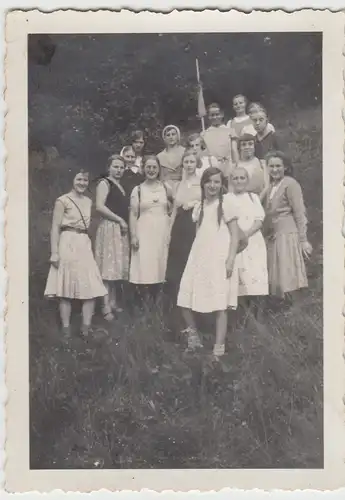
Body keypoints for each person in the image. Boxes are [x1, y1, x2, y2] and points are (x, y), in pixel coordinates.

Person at [177, 167, 241, 358]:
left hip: (220, 256)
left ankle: (218, 348)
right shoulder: (200, 206)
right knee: (184, 299)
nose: (212, 185)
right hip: (199, 256)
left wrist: (230, 259)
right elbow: (199, 233)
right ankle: (194, 338)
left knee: (220, 302)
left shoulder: (226, 203)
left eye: (217, 182)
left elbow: (236, 236)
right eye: (209, 181)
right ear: (203, 183)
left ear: (221, 185)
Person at [44, 169, 107, 337]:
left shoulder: (88, 201)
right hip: (67, 241)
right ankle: (66, 329)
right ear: (72, 180)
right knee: (66, 286)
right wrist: (54, 252)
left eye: (85, 180)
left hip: (84, 242)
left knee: (91, 285)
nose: (82, 183)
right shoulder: (62, 200)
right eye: (79, 179)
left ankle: (86, 328)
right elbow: (55, 228)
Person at [264, 151, 312, 300]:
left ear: (285, 167)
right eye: (271, 166)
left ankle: (296, 311)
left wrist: (303, 239)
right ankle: (283, 309)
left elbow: (299, 212)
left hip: (288, 233)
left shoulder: (290, 184)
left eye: (278, 166)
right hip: (275, 234)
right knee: (279, 275)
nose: (275, 169)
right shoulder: (271, 186)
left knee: (289, 274)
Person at [129, 155, 173, 301]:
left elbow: (173, 209)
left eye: (154, 167)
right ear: (143, 168)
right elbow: (133, 214)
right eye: (148, 167)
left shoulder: (166, 188)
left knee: (161, 263)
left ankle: (159, 303)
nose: (151, 170)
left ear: (159, 169)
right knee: (145, 264)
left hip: (162, 231)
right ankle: (144, 304)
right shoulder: (138, 190)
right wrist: (133, 235)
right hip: (144, 231)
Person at [230, 167, 268, 318]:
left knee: (257, 277)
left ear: (247, 180)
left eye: (242, 178)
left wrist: (245, 235)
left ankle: (259, 316)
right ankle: (244, 317)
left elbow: (259, 221)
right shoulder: (227, 198)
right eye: (236, 178)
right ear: (231, 181)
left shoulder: (253, 198)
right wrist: (237, 237)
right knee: (240, 278)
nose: (239, 181)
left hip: (253, 242)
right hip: (236, 244)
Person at [95, 155, 130, 319]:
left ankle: (113, 302)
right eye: (115, 166)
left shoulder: (120, 185)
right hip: (109, 227)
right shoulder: (104, 183)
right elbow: (99, 206)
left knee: (116, 268)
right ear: (109, 167)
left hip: (119, 229)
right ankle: (105, 306)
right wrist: (119, 220)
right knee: (108, 268)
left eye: (122, 167)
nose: (119, 170)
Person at [166, 150, 201, 305]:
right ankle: (178, 301)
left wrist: (194, 203)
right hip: (179, 225)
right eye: (186, 162)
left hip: (194, 224)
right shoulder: (178, 185)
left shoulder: (201, 182)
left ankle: (195, 299)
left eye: (192, 162)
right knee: (178, 261)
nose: (189, 165)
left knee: (192, 260)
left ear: (197, 163)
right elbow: (174, 209)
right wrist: (169, 231)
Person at [201, 103, 233, 184]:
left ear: (222, 114)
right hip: (212, 168)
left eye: (217, 114)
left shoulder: (230, 131)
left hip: (228, 167)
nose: (215, 117)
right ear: (208, 116)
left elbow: (234, 150)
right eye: (212, 115)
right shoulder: (205, 134)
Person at [232, 133, 269, 201]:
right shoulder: (236, 166)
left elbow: (266, 186)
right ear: (239, 148)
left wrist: (257, 201)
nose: (247, 147)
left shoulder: (261, 164)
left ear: (254, 146)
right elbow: (231, 189)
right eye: (243, 145)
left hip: (259, 201)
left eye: (250, 144)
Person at [157, 125, 185, 194]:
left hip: (182, 188)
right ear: (164, 138)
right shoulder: (159, 156)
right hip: (165, 189)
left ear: (178, 136)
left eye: (173, 134)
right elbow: (159, 177)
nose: (171, 137)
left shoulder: (185, 152)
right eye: (168, 135)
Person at [226, 94, 252, 164]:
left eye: (241, 103)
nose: (238, 105)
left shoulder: (251, 120)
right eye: (235, 104)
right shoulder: (230, 123)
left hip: (249, 153)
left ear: (245, 104)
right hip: (235, 155)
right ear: (233, 106)